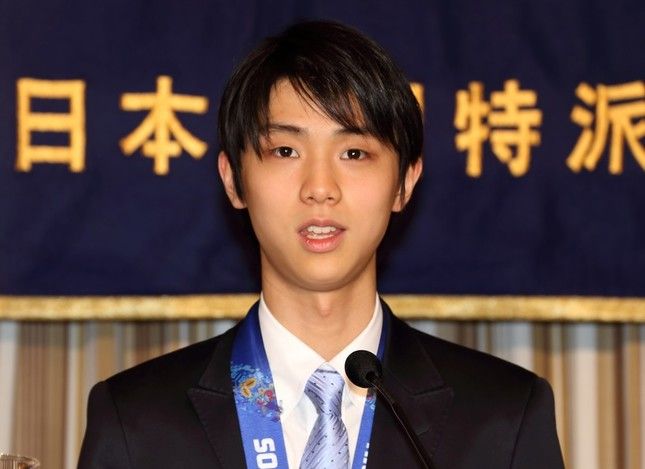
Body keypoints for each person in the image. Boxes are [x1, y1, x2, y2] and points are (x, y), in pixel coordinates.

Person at [78, 21, 564, 469]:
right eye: (285, 150)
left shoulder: (503, 419)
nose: (320, 187)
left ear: (404, 183)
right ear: (233, 179)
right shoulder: (135, 424)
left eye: (354, 152)